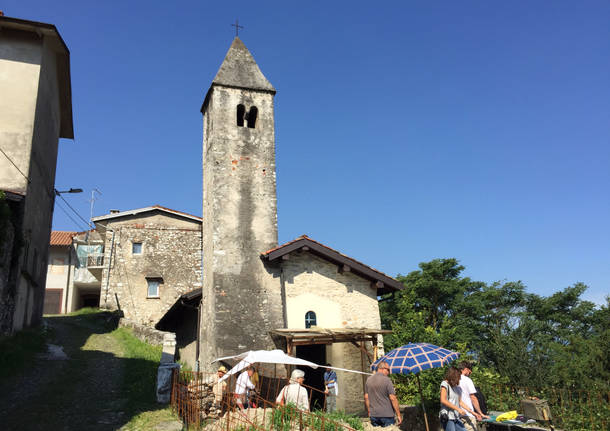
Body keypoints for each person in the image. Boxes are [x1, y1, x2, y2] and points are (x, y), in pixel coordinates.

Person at [439, 367, 481, 431]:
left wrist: (473, 413)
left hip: (456, 417)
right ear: (454, 376)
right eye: (458, 377)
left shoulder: (455, 387)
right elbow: (443, 400)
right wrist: (458, 409)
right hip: (448, 417)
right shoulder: (444, 384)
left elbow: (460, 402)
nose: (459, 379)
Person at [364, 361, 402, 427]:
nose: (388, 372)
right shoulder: (387, 380)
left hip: (374, 416)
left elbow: (366, 397)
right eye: (388, 370)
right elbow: (393, 398)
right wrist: (398, 415)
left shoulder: (368, 380)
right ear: (382, 368)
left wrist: (369, 411)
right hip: (387, 416)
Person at [457, 362, 488, 431]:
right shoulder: (467, 380)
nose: (470, 373)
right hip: (467, 415)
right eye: (470, 371)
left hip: (456, 415)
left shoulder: (453, 380)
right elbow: (473, 398)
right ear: (466, 369)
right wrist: (480, 413)